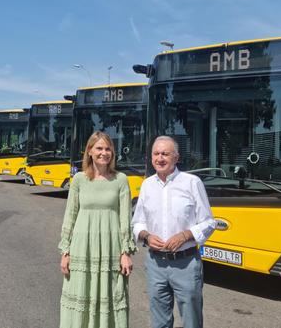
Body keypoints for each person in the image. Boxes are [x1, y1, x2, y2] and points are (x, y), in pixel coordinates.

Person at [132, 136, 215, 328]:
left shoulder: (192, 182)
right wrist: (146, 236)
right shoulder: (147, 185)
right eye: (156, 154)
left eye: (165, 154)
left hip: (185, 264)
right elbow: (137, 223)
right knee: (159, 321)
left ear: (176, 158)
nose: (160, 158)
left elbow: (209, 222)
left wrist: (185, 235)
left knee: (191, 322)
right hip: (155, 264)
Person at [58, 131, 136, 328]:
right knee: (81, 294)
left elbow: (125, 219)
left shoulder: (121, 180)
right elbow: (70, 215)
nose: (104, 153)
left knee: (110, 296)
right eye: (99, 148)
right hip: (81, 249)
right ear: (90, 151)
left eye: (108, 148)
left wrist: (125, 252)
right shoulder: (79, 180)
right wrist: (65, 251)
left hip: (111, 249)